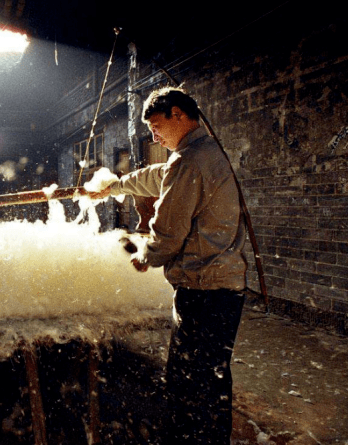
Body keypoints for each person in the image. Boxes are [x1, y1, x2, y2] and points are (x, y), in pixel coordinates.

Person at [90, 86, 247, 444]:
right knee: (214, 376)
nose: (154, 136)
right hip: (225, 287)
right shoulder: (202, 152)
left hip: (204, 290)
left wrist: (146, 255)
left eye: (157, 126)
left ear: (178, 114)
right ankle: (211, 437)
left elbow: (169, 230)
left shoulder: (190, 160)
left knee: (189, 383)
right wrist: (116, 186)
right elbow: (161, 176)